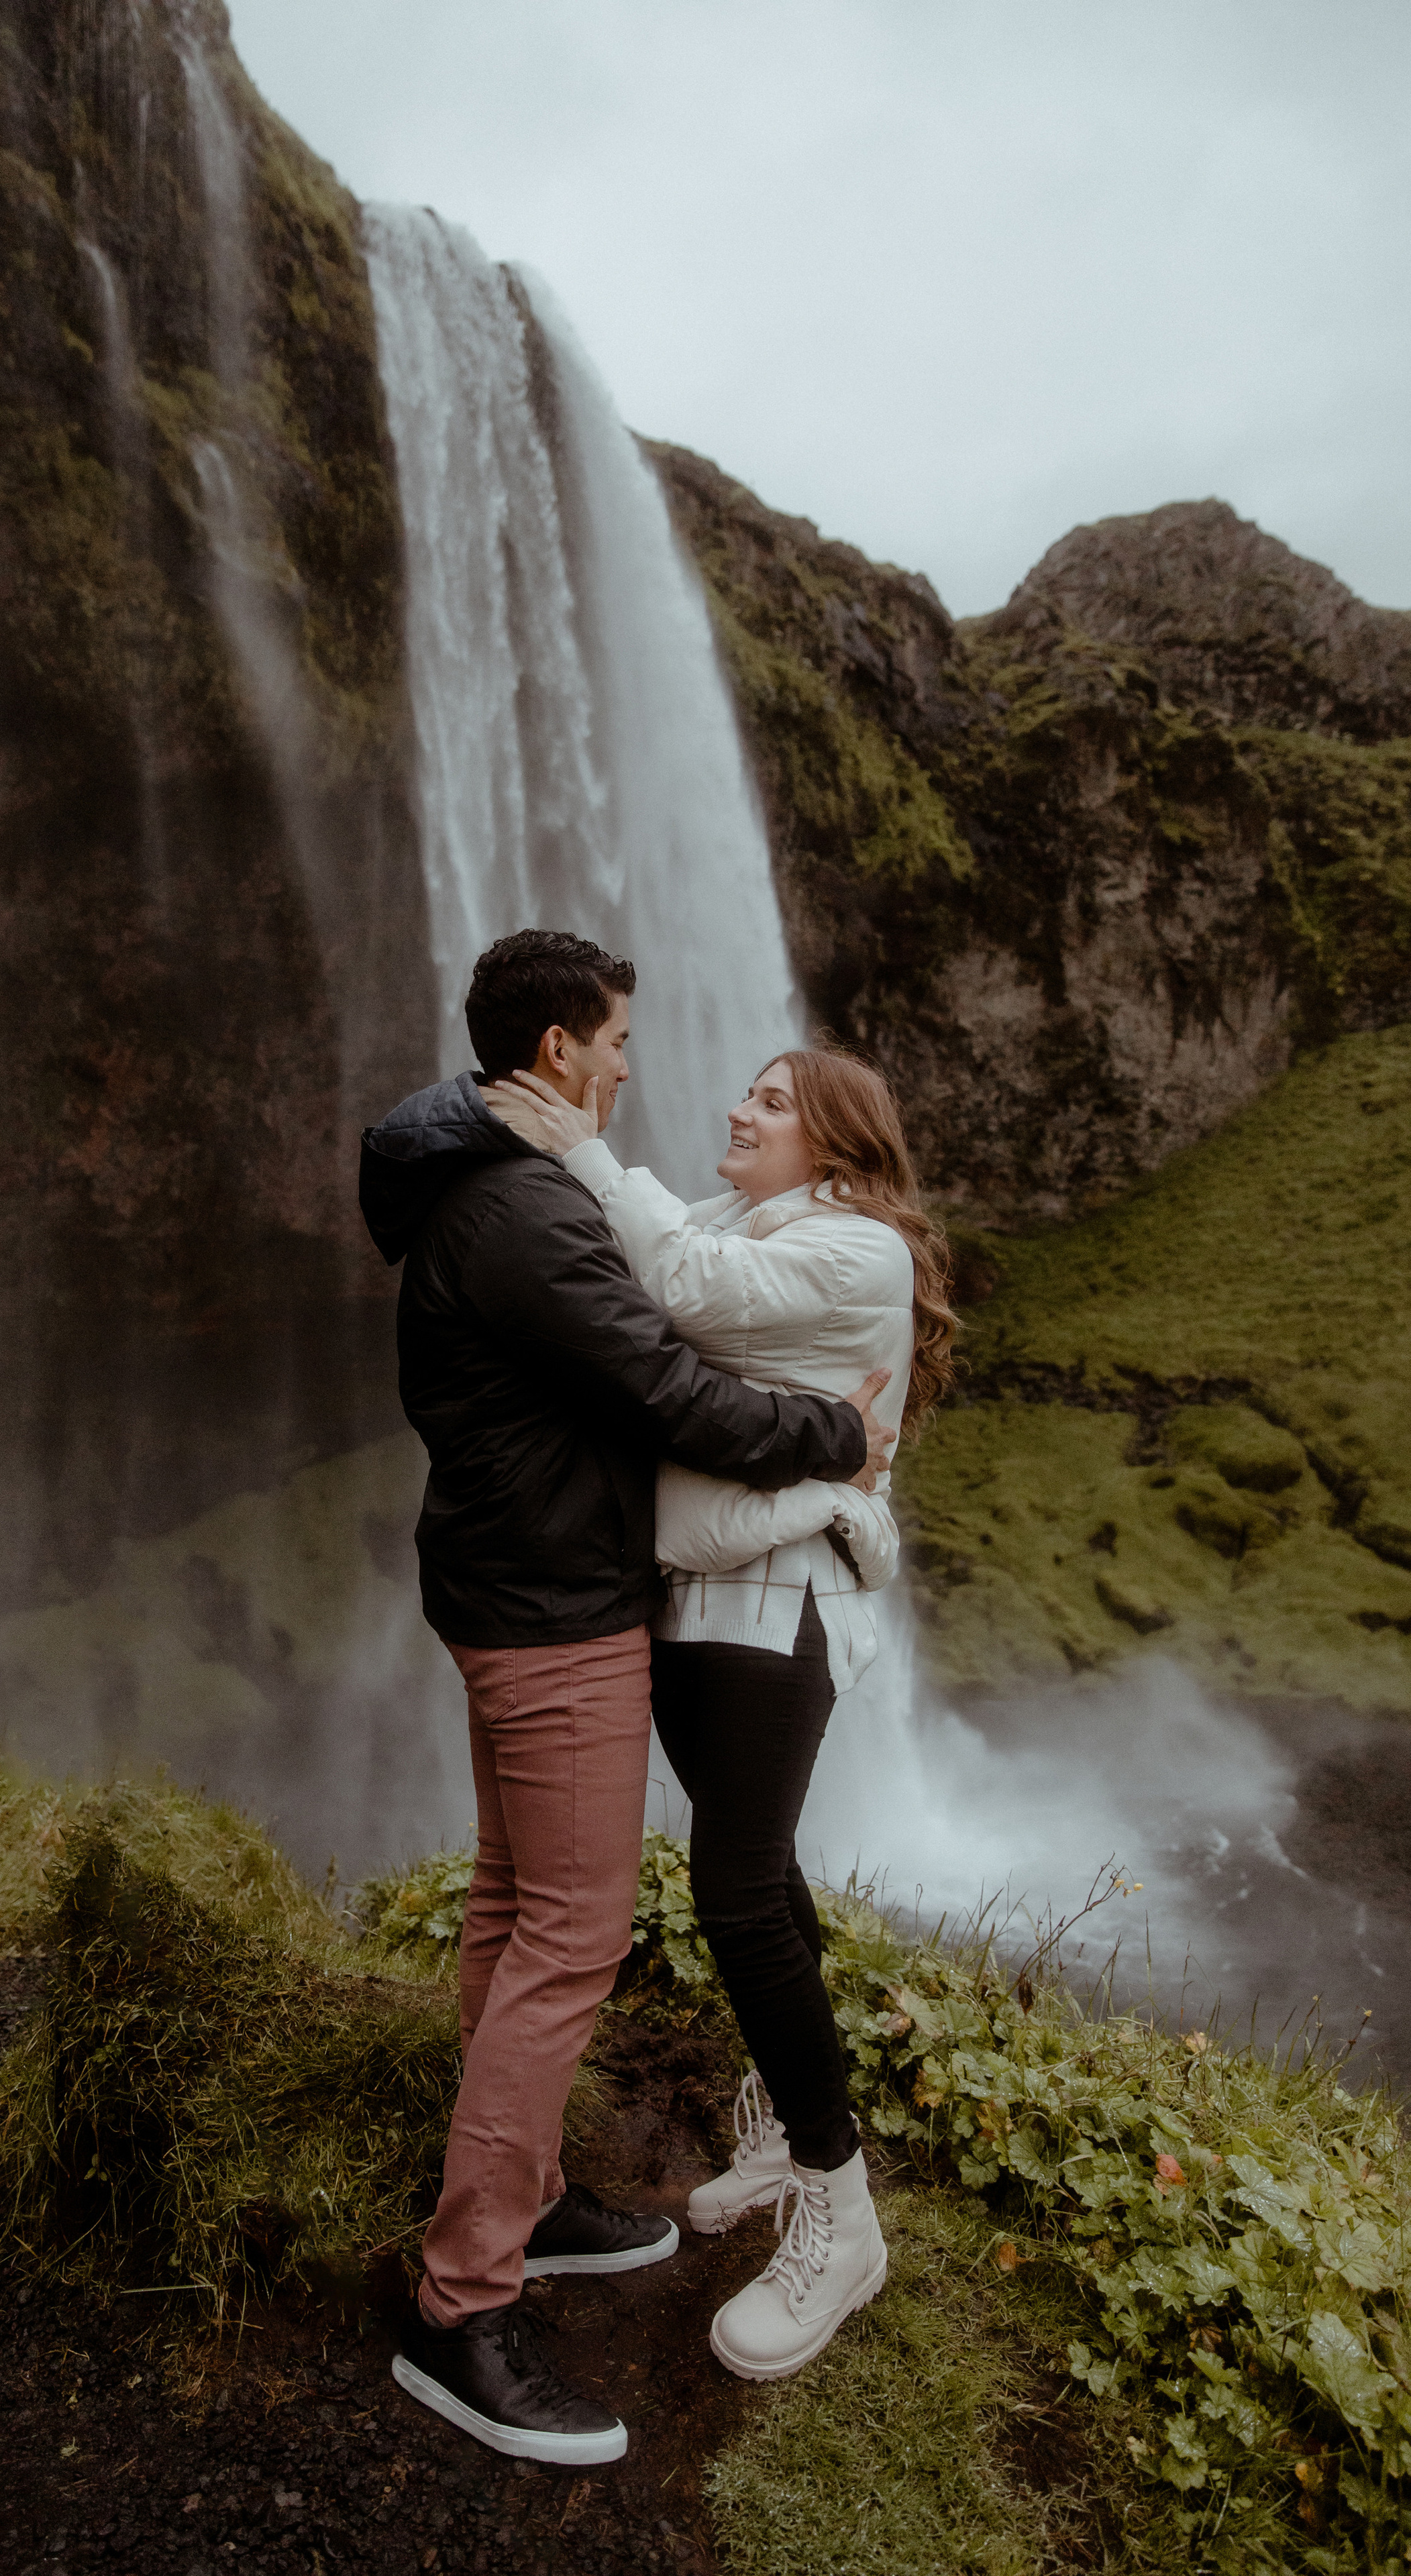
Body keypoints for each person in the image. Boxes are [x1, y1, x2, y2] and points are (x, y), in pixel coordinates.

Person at [358, 932, 894, 2465]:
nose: (625, 1069)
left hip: (508, 1586)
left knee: (511, 1900)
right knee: (571, 1938)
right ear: (548, 1053)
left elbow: (652, 1349)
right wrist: (828, 1442)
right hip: (557, 1611)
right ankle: (463, 2304)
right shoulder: (529, 1208)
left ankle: (520, 2203)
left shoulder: (483, 1185)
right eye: (610, 1042)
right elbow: (665, 1387)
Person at [484, 1040, 956, 2381]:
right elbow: (635, 1278)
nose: (736, 1106)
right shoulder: (736, 1214)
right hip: (693, 1595)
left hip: (773, 1599)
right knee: (757, 1877)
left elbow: (684, 1292)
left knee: (736, 1890)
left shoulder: (853, 1247)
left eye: (769, 1099)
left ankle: (836, 2203)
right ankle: (780, 2132)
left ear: (839, 1146)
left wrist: (576, 1141)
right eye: (738, 1084)